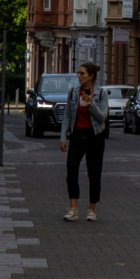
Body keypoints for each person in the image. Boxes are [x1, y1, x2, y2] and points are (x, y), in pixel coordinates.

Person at [60, 63, 109, 221]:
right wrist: (63, 138)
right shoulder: (74, 92)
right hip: (77, 136)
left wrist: (91, 103)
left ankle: (92, 209)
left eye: (82, 73)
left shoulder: (101, 93)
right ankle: (73, 208)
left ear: (91, 76)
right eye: (78, 73)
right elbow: (67, 115)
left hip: (95, 136)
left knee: (94, 173)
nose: (79, 76)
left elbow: (102, 117)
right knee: (72, 169)